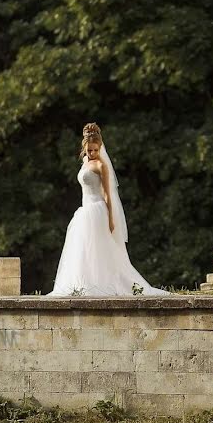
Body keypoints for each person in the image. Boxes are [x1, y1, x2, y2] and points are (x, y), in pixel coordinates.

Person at [49, 123, 169, 296]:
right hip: (85, 210)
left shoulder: (101, 166)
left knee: (102, 251)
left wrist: (111, 219)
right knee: (84, 250)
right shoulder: (85, 162)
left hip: (98, 210)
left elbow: (107, 194)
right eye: (89, 150)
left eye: (95, 150)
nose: (92, 154)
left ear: (100, 148)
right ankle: (83, 286)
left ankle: (108, 286)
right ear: (85, 148)